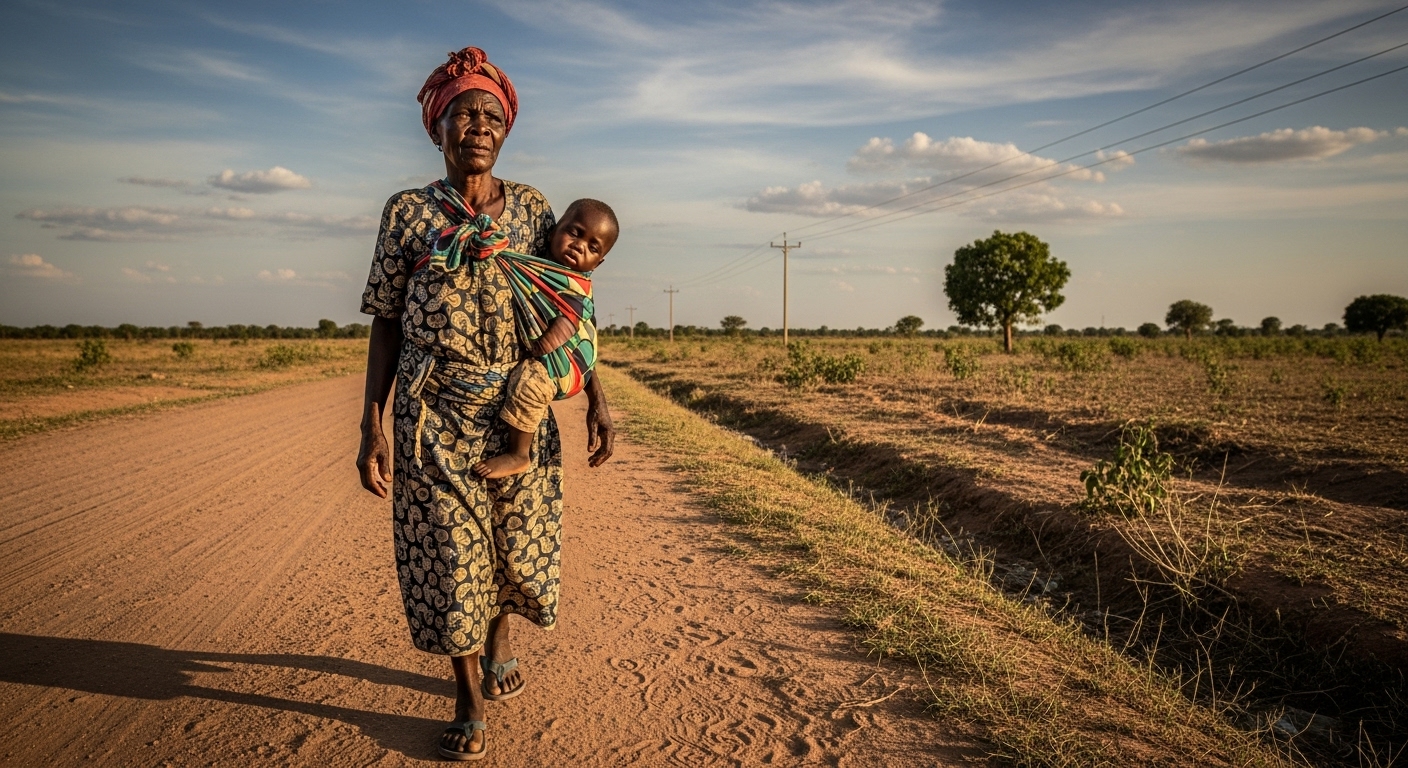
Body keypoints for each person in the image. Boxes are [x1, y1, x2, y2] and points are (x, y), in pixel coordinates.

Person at [355, 46, 615, 762]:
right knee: (449, 554)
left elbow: (569, 304)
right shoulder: (407, 214)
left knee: (514, 554)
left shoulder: (533, 209)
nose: (479, 123)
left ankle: (501, 633)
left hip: (516, 409)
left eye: (492, 115)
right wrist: (370, 422)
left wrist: (596, 395)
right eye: (464, 111)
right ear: (438, 126)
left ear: (506, 131)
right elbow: (385, 319)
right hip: (431, 413)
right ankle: (467, 697)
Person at [471, 198, 619, 479]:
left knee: (529, 385)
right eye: (574, 233)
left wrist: (541, 347)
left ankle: (519, 453)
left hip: (559, 365)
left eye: (592, 247)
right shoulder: (539, 268)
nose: (579, 246)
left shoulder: (574, 285)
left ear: (598, 263)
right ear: (552, 231)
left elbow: (568, 323)